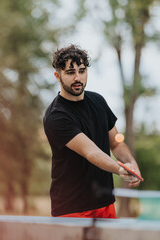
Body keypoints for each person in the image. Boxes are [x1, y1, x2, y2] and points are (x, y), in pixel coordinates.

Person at [43, 44, 142, 218]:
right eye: (70, 72)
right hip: (71, 208)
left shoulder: (98, 101)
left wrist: (131, 164)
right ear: (57, 76)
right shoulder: (56, 116)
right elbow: (91, 152)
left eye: (82, 71)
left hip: (105, 203)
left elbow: (116, 143)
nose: (77, 77)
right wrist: (120, 169)